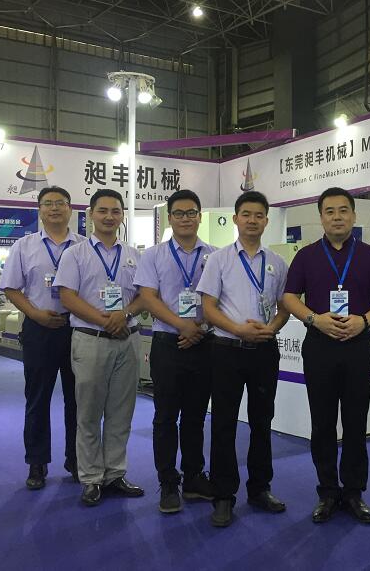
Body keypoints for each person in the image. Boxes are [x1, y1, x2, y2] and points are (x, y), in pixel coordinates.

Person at [283, 187, 370, 525]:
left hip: (358, 346)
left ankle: (353, 492)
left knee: (355, 422)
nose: (337, 217)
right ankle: (328, 492)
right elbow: (289, 297)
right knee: (322, 424)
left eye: (343, 210)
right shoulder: (306, 256)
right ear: (321, 217)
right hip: (319, 346)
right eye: (330, 211)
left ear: (354, 215)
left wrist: (365, 320)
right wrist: (313, 318)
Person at [197, 191, 290, 528]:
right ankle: (223, 495)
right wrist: (238, 329)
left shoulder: (277, 262)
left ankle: (260, 488)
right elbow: (208, 307)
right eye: (246, 214)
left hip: (264, 350)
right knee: (223, 423)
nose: (252, 220)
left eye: (259, 215)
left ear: (266, 220)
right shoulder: (218, 260)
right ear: (236, 219)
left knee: (262, 421)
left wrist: (270, 329)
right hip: (226, 350)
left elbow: (285, 307)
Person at [54, 188, 145, 506]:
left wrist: (125, 315)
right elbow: (68, 297)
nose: (109, 216)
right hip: (90, 340)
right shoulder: (75, 254)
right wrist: (106, 320)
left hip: (127, 339)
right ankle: (91, 477)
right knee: (89, 412)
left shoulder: (134, 255)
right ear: (91, 214)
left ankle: (115, 473)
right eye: (103, 210)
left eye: (115, 211)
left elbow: (144, 296)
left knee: (122, 411)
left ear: (122, 216)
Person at [134, 189, 216, 514]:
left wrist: (200, 328)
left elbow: (219, 299)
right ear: (170, 218)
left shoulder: (214, 255)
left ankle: (194, 478)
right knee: (166, 416)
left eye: (191, 212)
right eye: (179, 213)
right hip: (168, 343)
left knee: (196, 416)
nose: (185, 218)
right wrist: (182, 325)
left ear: (200, 216)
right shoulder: (154, 255)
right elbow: (148, 298)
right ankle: (168, 482)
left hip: (203, 342)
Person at [0, 186, 83, 490]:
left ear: (70, 209)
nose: (55, 208)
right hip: (38, 329)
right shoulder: (24, 246)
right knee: (37, 398)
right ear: (40, 210)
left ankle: (77, 460)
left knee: (79, 400)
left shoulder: (84, 246)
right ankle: (37, 462)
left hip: (77, 329)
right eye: (48, 203)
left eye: (61, 203)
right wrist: (35, 314)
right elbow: (11, 288)